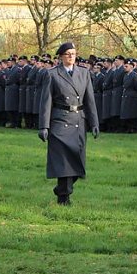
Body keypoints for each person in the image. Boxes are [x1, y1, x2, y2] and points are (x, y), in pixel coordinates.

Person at [37, 42, 99, 205]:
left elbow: (90, 100)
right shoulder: (52, 74)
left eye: (73, 53)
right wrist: (44, 126)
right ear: (61, 57)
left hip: (78, 120)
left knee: (77, 162)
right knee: (63, 161)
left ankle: (61, 189)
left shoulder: (84, 73)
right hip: (60, 121)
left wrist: (94, 123)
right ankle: (64, 196)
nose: (71, 56)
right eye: (67, 54)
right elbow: (46, 101)